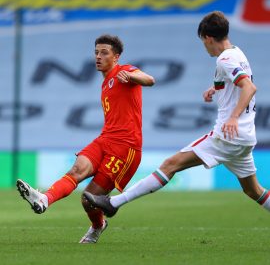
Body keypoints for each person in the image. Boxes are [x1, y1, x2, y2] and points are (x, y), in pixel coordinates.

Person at [84, 11, 270, 219]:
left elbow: (249, 87)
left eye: (203, 41)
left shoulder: (224, 59)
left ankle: (114, 202)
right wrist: (215, 89)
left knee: (171, 164)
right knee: (253, 190)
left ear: (208, 38)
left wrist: (234, 117)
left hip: (227, 136)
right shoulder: (237, 53)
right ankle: (113, 203)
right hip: (246, 137)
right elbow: (235, 82)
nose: (205, 46)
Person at [16, 34, 155, 243]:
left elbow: (150, 80)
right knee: (76, 170)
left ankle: (98, 226)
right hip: (105, 139)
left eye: (104, 53)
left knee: (88, 199)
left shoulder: (125, 71)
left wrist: (133, 77)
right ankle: (44, 199)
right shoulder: (105, 82)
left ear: (116, 57)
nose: (98, 57)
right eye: (96, 52)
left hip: (125, 148)